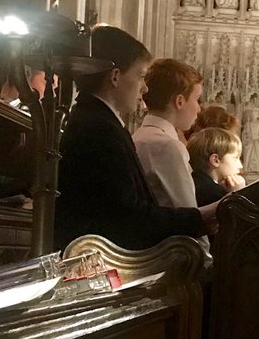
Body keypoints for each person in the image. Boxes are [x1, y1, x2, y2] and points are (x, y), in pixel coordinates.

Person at [56, 25, 217, 251]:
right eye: (141, 76)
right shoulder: (99, 129)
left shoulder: (99, 121)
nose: (145, 88)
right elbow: (128, 220)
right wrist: (205, 217)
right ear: (115, 77)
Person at [132, 59, 204, 208]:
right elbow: (187, 212)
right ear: (179, 101)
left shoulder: (138, 136)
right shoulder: (167, 145)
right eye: (197, 99)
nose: (199, 109)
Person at [187, 127, 245, 206]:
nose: (240, 166)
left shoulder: (195, 182)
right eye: (235, 158)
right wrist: (238, 194)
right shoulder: (211, 193)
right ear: (215, 160)